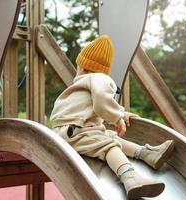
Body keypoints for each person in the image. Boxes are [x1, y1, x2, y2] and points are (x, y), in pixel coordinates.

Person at [50, 35, 174, 199]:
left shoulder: (80, 85)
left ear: (81, 66)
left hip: (63, 134)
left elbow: (99, 102)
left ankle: (145, 153)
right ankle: (130, 177)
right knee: (109, 146)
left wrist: (121, 113)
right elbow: (102, 101)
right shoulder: (101, 78)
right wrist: (116, 117)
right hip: (77, 130)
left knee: (108, 136)